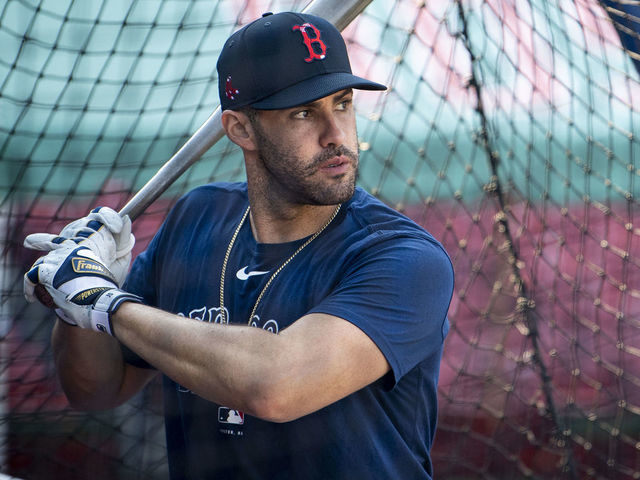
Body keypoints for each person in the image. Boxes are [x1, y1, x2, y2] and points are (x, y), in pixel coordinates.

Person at [23, 11, 454, 480]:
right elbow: (97, 389)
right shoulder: (197, 219)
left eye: (343, 103)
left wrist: (106, 303)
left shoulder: (403, 257)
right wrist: (74, 301)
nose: (336, 135)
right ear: (240, 129)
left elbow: (277, 386)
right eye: (304, 113)